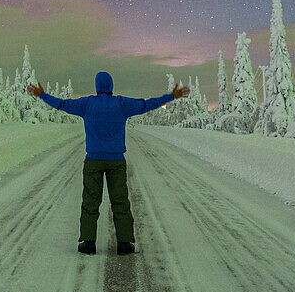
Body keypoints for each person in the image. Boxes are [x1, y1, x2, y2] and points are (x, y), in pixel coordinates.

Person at [27, 71, 190, 256]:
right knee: (120, 202)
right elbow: (146, 104)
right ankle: (124, 243)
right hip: (116, 162)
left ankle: (88, 243)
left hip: (93, 161)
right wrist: (171, 96)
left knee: (90, 202)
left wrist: (41, 94)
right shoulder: (121, 104)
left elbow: (62, 104)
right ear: (111, 86)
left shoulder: (86, 103)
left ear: (97, 86)